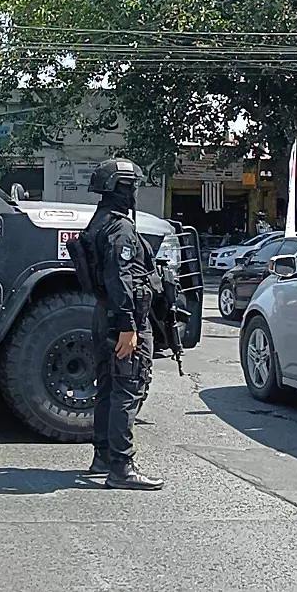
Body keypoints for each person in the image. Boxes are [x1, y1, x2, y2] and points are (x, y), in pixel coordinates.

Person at [82, 158, 164, 491]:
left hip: (104, 315)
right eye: (132, 187)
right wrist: (128, 327)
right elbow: (121, 279)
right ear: (122, 188)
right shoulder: (120, 229)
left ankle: (103, 456)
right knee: (128, 391)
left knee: (108, 388)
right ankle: (121, 466)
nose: (134, 193)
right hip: (123, 320)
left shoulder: (99, 222)